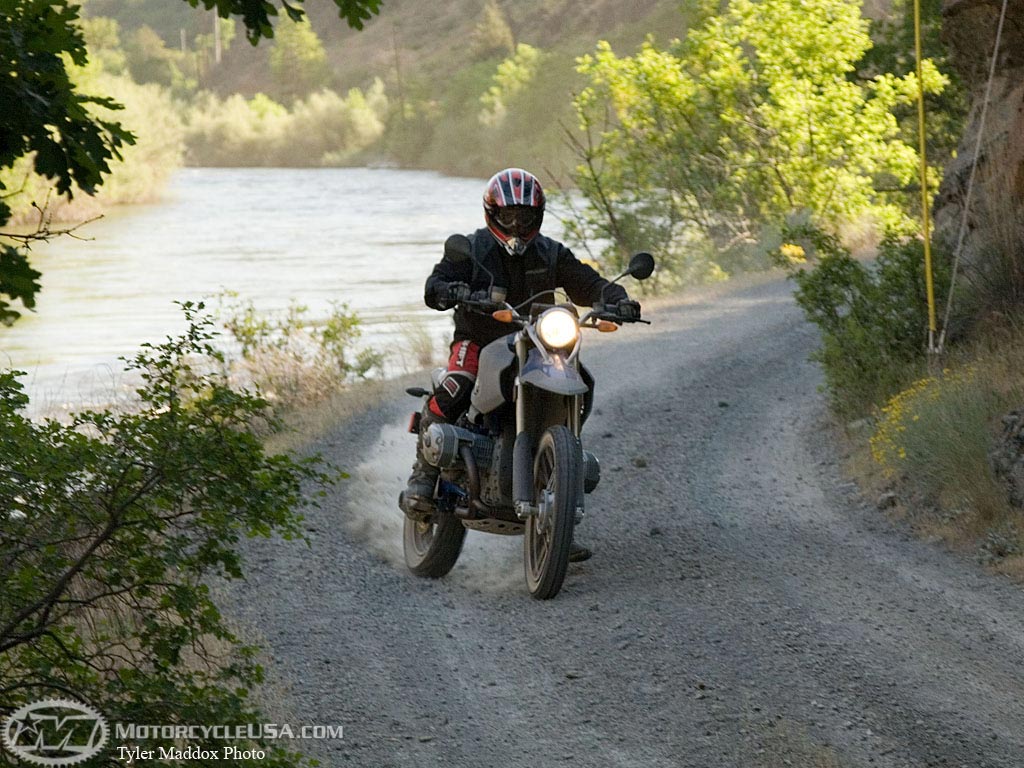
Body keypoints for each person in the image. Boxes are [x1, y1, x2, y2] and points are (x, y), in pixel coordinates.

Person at [403, 168, 642, 562]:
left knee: (581, 382)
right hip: (478, 339)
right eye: (509, 215)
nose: (517, 223)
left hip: (537, 343)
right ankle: (424, 475)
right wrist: (451, 289)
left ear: (539, 216)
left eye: (526, 216)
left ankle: (560, 512)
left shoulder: (551, 253)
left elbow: (589, 282)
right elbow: (435, 285)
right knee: (458, 383)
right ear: (492, 213)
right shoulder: (470, 247)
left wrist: (617, 298)